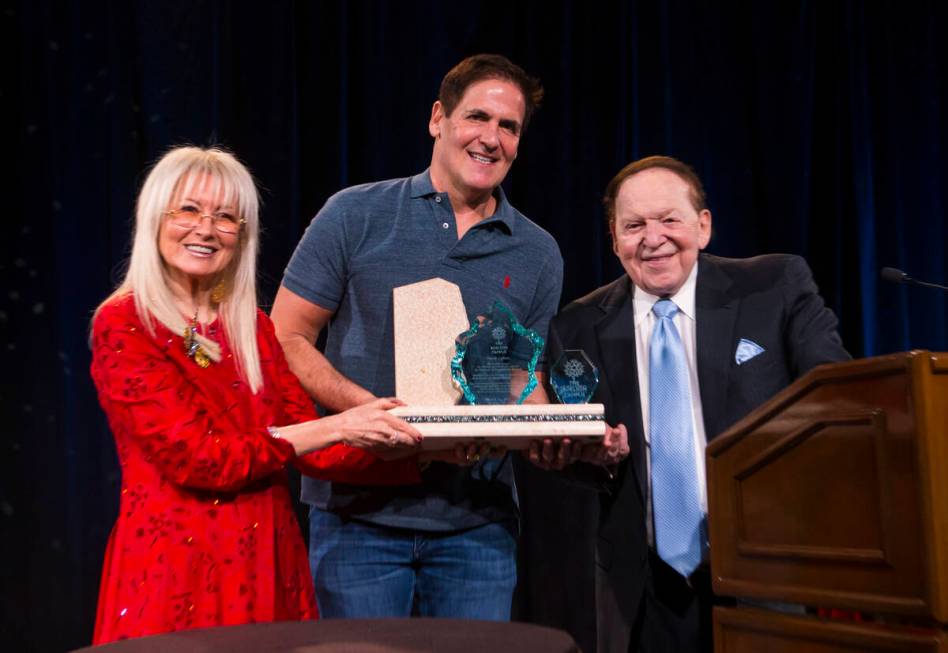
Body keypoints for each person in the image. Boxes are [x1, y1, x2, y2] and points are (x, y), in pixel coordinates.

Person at [270, 54, 575, 621]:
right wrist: (372, 414)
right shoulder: (353, 215)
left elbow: (519, 378)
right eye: (476, 117)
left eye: (509, 127)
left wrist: (552, 432)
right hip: (355, 519)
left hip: (477, 529)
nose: (491, 138)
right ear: (438, 118)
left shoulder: (538, 251)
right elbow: (285, 337)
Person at [89, 146, 424, 644]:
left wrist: (425, 446)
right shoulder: (123, 325)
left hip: (267, 560)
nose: (206, 228)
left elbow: (319, 450)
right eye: (188, 210)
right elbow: (202, 459)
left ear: (242, 235)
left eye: (226, 217)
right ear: (154, 217)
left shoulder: (252, 327)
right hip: (176, 571)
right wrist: (340, 421)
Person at [542, 155, 851, 653]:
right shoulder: (575, 327)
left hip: (765, 570)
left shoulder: (774, 286)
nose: (653, 237)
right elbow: (576, 462)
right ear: (615, 238)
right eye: (634, 225)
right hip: (639, 591)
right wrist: (591, 455)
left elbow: (835, 394)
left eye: (669, 219)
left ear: (703, 226)